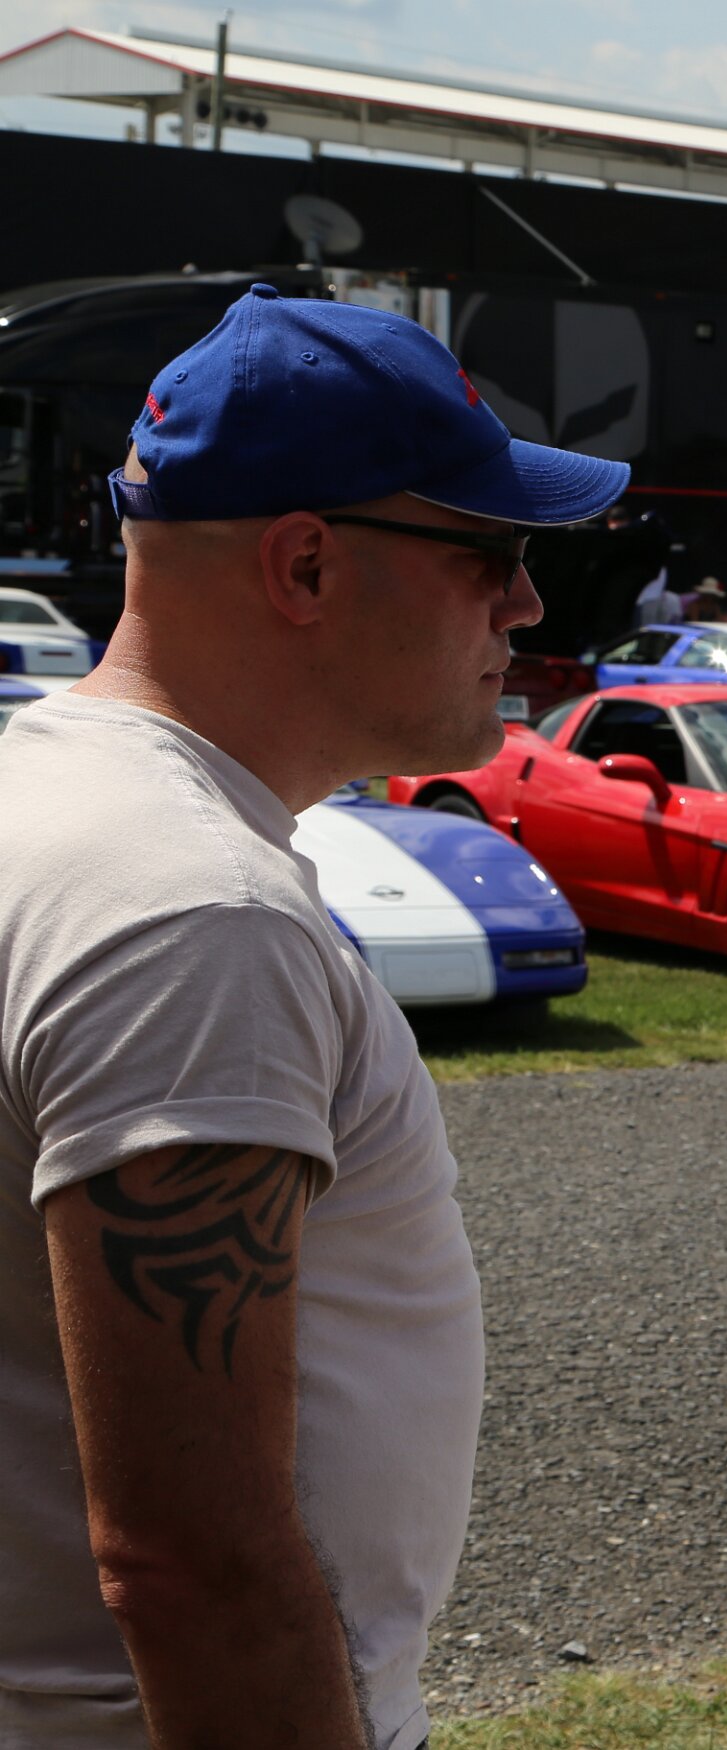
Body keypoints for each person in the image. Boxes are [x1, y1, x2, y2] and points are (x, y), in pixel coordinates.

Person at [0, 285, 628, 1747]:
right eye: (490, 551)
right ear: (304, 562)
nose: (526, 604)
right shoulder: (193, 909)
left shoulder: (47, 798)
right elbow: (192, 1564)